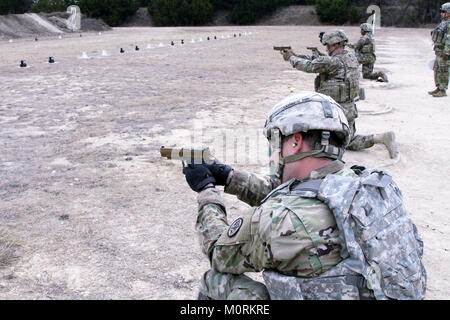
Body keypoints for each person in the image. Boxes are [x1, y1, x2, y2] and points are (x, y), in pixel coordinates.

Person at [182, 92, 426, 300]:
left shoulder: (280, 220)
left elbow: (217, 252)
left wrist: (206, 190)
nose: (272, 155)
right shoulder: (367, 183)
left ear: (295, 141)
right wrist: (230, 177)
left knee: (216, 281)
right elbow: (300, 192)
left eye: (276, 143)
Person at [280, 30, 398, 159]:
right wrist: (296, 55)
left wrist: (291, 58)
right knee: (348, 140)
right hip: (350, 109)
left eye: (328, 46)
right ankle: (380, 138)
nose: (326, 48)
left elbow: (310, 66)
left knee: (319, 140)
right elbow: (318, 60)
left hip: (335, 112)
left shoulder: (334, 62)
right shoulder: (350, 57)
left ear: (335, 44)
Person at [429, 2, 450, 98]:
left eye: (443, 11)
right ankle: (438, 87)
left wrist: (446, 52)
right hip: (439, 51)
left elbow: (449, 39)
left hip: (444, 52)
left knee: (443, 70)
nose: (441, 13)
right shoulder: (444, 22)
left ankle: (443, 89)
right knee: (437, 69)